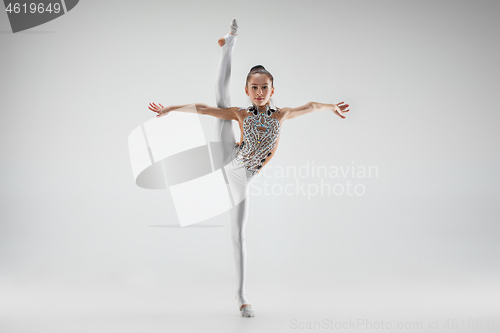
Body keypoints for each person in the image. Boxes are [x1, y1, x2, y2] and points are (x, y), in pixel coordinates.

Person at [148, 18, 350, 318]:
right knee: (219, 105)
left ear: (272, 89)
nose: (259, 92)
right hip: (229, 157)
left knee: (238, 234)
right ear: (247, 89)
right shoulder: (241, 113)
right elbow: (204, 109)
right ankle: (229, 47)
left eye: (264, 88)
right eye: (254, 87)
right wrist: (171, 109)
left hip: (241, 177)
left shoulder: (280, 115)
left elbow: (308, 106)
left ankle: (241, 296)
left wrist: (331, 106)